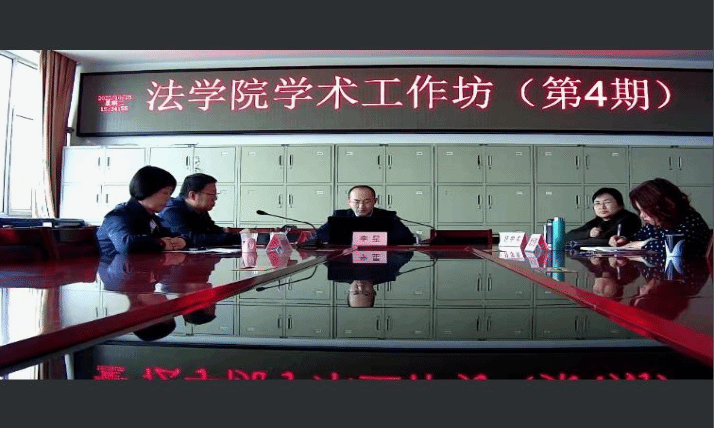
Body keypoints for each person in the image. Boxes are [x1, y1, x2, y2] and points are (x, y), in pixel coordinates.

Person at [96, 166, 188, 257]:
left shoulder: (151, 217)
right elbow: (125, 245)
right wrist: (161, 243)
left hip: (142, 265)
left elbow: (171, 235)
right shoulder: (117, 216)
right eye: (165, 193)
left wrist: (182, 240)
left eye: (170, 193)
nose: (169, 198)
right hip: (114, 265)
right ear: (147, 189)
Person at [608, 178, 711, 256]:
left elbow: (677, 246)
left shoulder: (688, 218)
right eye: (639, 210)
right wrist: (624, 240)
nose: (641, 215)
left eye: (645, 210)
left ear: (661, 206)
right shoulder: (656, 223)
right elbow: (638, 237)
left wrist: (641, 244)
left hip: (688, 273)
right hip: (664, 272)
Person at [159, 173, 242, 248]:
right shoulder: (171, 211)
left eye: (215, 195)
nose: (215, 199)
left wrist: (241, 233)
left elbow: (211, 230)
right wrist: (241, 238)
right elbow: (192, 239)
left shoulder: (199, 209)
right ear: (193, 195)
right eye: (212, 195)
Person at [314, 185, 416, 245]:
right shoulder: (339, 216)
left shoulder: (387, 216)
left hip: (380, 260)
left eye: (367, 202)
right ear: (349, 202)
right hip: (348, 261)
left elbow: (408, 238)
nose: (361, 206)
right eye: (356, 202)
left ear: (375, 201)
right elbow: (320, 235)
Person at [564, 187, 641, 245]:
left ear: (620, 205)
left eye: (607, 202)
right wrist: (589, 233)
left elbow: (604, 239)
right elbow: (568, 236)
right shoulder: (598, 221)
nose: (602, 207)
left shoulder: (630, 219)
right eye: (597, 203)